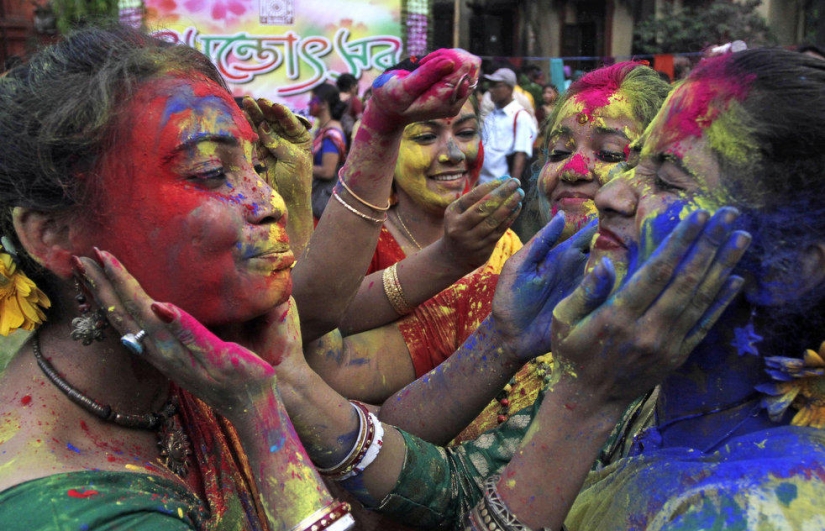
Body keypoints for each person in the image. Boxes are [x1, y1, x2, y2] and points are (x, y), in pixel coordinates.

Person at [0, 24, 480, 529]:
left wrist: (380, 130)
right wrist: (258, 413)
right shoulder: (65, 508)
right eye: (209, 171)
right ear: (53, 236)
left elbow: (312, 311)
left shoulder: (191, 362)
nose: (266, 200)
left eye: (255, 168)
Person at [478, 67, 538, 185]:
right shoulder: (490, 116)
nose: (491, 90)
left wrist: (512, 188)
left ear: (510, 89)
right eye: (490, 85)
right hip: (483, 183)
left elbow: (520, 155)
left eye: (497, 85)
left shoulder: (520, 116)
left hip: (502, 185)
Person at [309, 82, 348, 219]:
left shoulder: (332, 134)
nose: (309, 104)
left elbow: (327, 171)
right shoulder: (324, 130)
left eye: (313, 99)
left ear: (324, 104)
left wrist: (300, 165)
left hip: (323, 202)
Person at [336, 72, 362, 146]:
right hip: (348, 140)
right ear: (352, 86)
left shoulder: (333, 99)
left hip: (333, 138)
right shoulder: (354, 100)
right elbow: (360, 120)